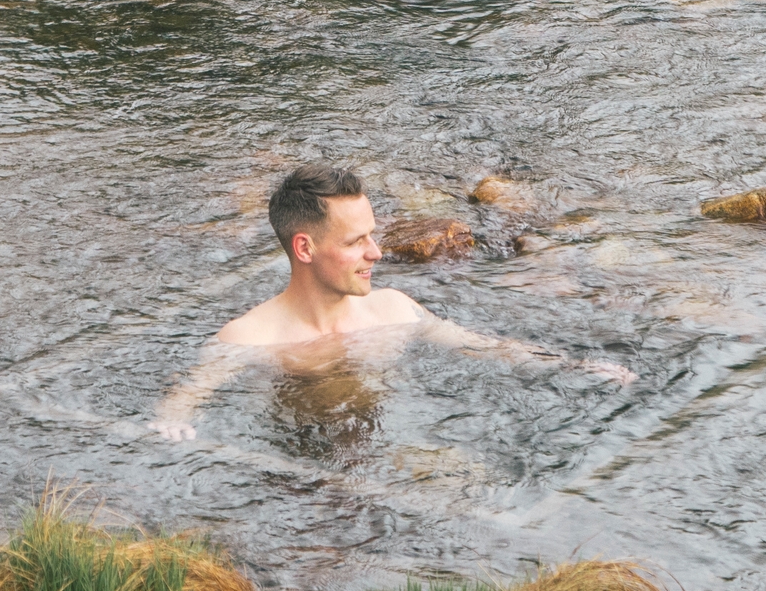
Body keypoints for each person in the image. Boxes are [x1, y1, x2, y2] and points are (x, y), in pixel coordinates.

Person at [150, 162, 624, 441]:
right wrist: (174, 425)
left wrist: (574, 367)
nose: (376, 252)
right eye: (357, 241)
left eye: (372, 235)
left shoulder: (394, 309)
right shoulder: (250, 338)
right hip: (297, 470)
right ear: (305, 249)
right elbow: (185, 398)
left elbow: (484, 346)